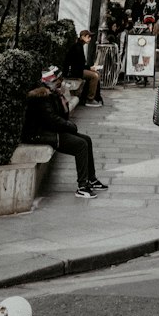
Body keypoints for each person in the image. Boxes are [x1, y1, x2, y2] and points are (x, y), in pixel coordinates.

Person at [23, 67, 108, 199]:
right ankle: (82, 186)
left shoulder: (52, 95)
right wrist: (71, 126)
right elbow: (52, 120)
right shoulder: (42, 98)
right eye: (58, 81)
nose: (61, 83)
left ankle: (91, 179)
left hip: (51, 131)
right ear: (51, 82)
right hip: (40, 134)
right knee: (80, 145)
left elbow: (62, 115)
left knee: (87, 140)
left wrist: (62, 99)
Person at [62, 29, 103, 106]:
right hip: (75, 71)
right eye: (88, 36)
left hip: (76, 70)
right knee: (94, 76)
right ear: (83, 37)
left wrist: (90, 68)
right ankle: (90, 99)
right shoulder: (77, 47)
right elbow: (78, 64)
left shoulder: (79, 46)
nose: (90, 39)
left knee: (97, 73)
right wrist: (90, 68)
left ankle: (94, 96)